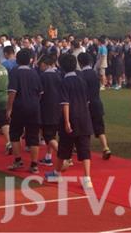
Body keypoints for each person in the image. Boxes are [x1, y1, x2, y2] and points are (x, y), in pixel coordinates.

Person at [46, 53, 93, 190]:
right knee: (84, 149)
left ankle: (57, 173)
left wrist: (66, 121)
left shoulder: (64, 82)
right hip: (84, 118)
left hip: (71, 118)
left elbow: (65, 103)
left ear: (61, 66)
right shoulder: (82, 81)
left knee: (64, 149)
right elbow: (87, 101)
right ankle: (87, 179)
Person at [7, 48, 42, 174]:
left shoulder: (15, 71)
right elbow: (40, 92)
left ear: (17, 60)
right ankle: (34, 164)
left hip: (19, 106)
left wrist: (9, 108)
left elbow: (12, 92)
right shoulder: (34, 72)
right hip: (34, 107)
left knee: (15, 134)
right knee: (33, 136)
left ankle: (18, 160)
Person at [78, 52, 111, 160]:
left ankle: (85, 149)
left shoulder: (81, 75)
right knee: (99, 127)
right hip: (97, 102)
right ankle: (105, 147)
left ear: (80, 62)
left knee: (84, 129)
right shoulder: (94, 73)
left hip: (86, 105)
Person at [37, 54, 61, 166]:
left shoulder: (43, 77)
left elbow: (40, 94)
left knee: (48, 135)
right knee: (52, 134)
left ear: (44, 64)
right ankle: (48, 157)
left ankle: (64, 156)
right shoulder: (59, 75)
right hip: (58, 107)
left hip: (46, 108)